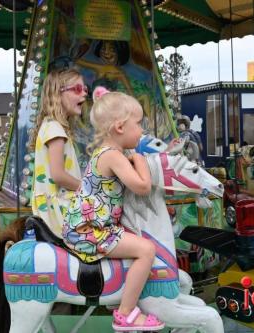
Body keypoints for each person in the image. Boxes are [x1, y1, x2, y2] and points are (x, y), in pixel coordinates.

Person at [62, 87, 165, 331]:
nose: (141, 130)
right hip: (89, 231)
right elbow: (142, 187)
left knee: (136, 240)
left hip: (91, 227)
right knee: (146, 250)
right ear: (120, 127)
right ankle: (126, 313)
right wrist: (140, 161)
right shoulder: (113, 156)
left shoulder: (109, 152)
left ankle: (118, 293)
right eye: (138, 124)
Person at [30, 68, 87, 235]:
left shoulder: (50, 126)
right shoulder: (55, 129)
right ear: (57, 94)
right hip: (59, 211)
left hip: (55, 206)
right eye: (77, 89)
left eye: (85, 89)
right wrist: (87, 188)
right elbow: (58, 175)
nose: (83, 94)